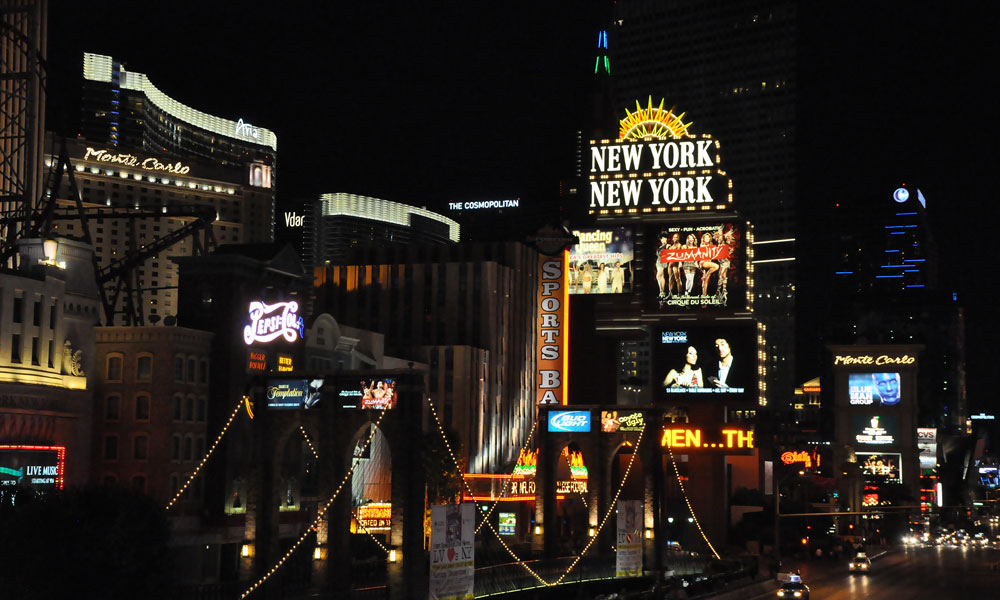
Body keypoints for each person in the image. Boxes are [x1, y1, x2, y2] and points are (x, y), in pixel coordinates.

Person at [698, 232, 719, 297]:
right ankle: (705, 276)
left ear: (710, 238)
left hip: (708, 262)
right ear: (703, 239)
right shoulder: (702, 245)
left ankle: (704, 295)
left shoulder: (711, 245)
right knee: (716, 266)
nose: (707, 238)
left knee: (706, 280)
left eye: (708, 237)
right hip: (703, 262)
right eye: (705, 237)